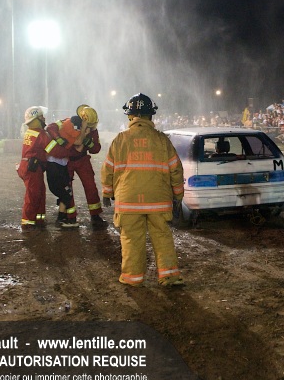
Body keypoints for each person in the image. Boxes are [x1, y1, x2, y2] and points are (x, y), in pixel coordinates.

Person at [100, 93, 185, 287]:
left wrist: (107, 193)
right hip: (158, 200)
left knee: (131, 239)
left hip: (128, 201)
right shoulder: (162, 140)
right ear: (150, 115)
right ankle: (170, 277)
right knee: (162, 236)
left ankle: (133, 278)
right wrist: (178, 196)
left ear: (130, 115)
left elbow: (108, 169)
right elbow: (176, 169)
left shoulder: (120, 140)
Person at [67, 105, 107, 227]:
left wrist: (88, 142)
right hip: (67, 160)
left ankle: (95, 215)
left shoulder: (93, 131)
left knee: (90, 186)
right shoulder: (70, 125)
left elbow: (96, 149)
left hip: (82, 159)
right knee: (67, 189)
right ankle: (70, 216)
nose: (92, 128)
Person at [44, 115, 84, 228]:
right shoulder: (72, 130)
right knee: (64, 192)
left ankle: (62, 218)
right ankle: (61, 219)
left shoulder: (65, 125)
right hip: (54, 162)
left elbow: (50, 127)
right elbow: (79, 144)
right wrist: (84, 129)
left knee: (65, 192)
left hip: (60, 163)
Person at [17, 106, 51, 231]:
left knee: (40, 192)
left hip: (28, 166)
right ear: (37, 119)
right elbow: (51, 149)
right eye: (41, 117)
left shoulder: (30, 131)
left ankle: (39, 218)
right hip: (33, 168)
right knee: (33, 195)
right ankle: (27, 222)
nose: (44, 118)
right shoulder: (40, 133)